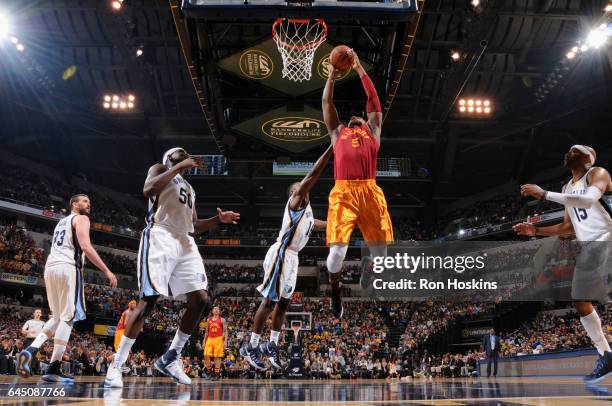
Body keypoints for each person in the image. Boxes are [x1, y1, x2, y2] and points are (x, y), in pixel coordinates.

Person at [105, 147, 240, 388]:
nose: (186, 155)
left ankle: (171, 357)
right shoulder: (160, 169)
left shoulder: (190, 188)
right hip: (161, 235)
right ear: (170, 158)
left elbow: (194, 225)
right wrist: (179, 166)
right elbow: (148, 189)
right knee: (148, 299)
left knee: (200, 298)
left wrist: (218, 220)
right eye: (181, 154)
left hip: (185, 240)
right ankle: (117, 364)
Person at [514, 144, 612, 384]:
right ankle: (606, 354)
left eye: (575, 151)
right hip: (589, 246)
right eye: (567, 151)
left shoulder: (597, 173)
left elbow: (588, 201)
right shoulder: (567, 188)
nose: (568, 152)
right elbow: (568, 227)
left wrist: (544, 195)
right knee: (580, 299)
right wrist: (535, 231)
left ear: (589, 157)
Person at [241, 145, 332, 370]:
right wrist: (332, 147)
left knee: (283, 304)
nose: (300, 190)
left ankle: (271, 345)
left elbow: (322, 225)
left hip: (293, 258)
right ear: (294, 194)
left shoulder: (308, 213)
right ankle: (251, 346)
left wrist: (346, 225)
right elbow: (312, 175)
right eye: (297, 188)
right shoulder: (294, 204)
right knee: (269, 301)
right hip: (281, 253)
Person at [321, 50, 393, 318]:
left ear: (366, 120)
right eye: (349, 117)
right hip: (343, 193)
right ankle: (336, 293)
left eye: (359, 116)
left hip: (370, 191)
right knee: (337, 255)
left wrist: (360, 68)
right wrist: (331, 76)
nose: (353, 116)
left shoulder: (372, 131)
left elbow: (373, 99)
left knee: (382, 257)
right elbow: (327, 104)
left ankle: (370, 268)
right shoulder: (337, 132)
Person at [17, 194, 117, 382]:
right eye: (85, 201)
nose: (89, 204)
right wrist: (107, 270)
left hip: (50, 268)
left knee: (56, 317)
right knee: (67, 318)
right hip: (67, 268)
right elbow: (86, 246)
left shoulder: (61, 222)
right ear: (74, 204)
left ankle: (31, 350)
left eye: (89, 202)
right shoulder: (81, 218)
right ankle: (53, 367)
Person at [203, 306, 227, 380]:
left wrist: (225, 341)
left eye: (217, 309)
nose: (216, 310)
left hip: (218, 339)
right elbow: (206, 331)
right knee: (206, 355)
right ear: (212, 311)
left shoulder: (222, 320)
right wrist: (204, 341)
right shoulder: (208, 320)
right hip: (210, 338)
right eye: (215, 309)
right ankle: (210, 372)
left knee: (217, 357)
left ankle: (217, 374)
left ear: (219, 311)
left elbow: (225, 331)